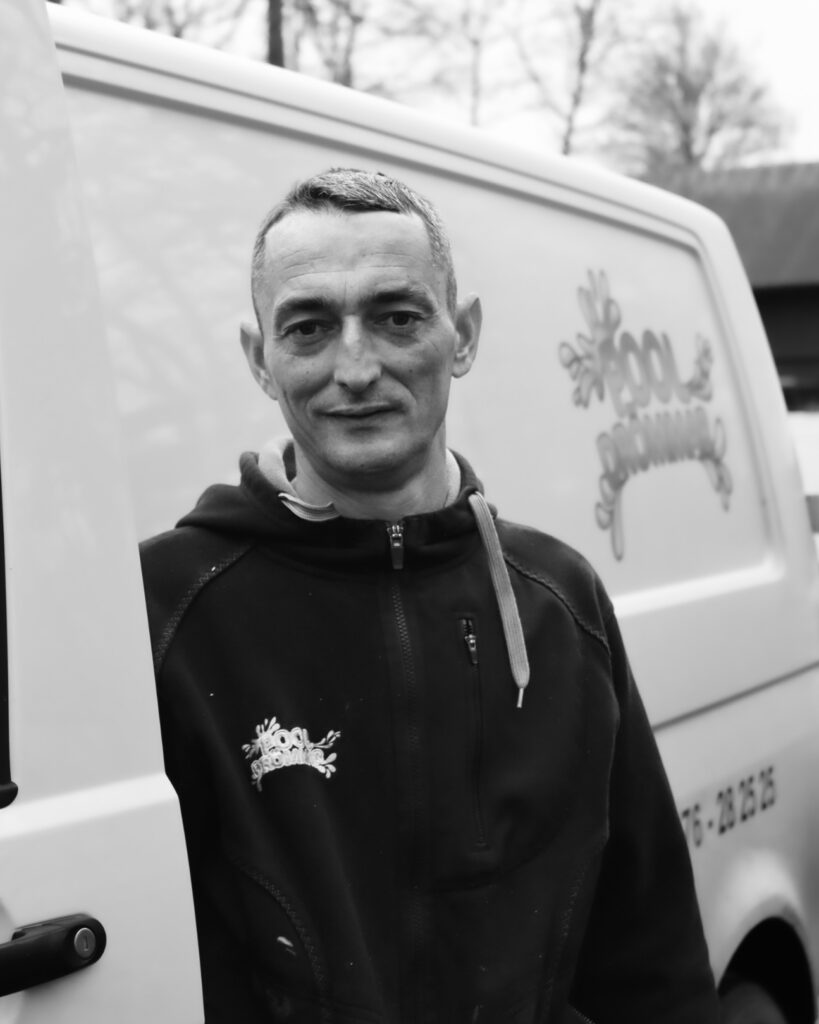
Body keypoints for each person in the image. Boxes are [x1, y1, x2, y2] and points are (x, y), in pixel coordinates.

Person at [140, 168, 721, 1024]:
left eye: (397, 317)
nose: (355, 367)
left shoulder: (559, 602)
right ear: (260, 359)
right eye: (308, 327)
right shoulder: (165, 611)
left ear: (464, 334)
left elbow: (650, 954)